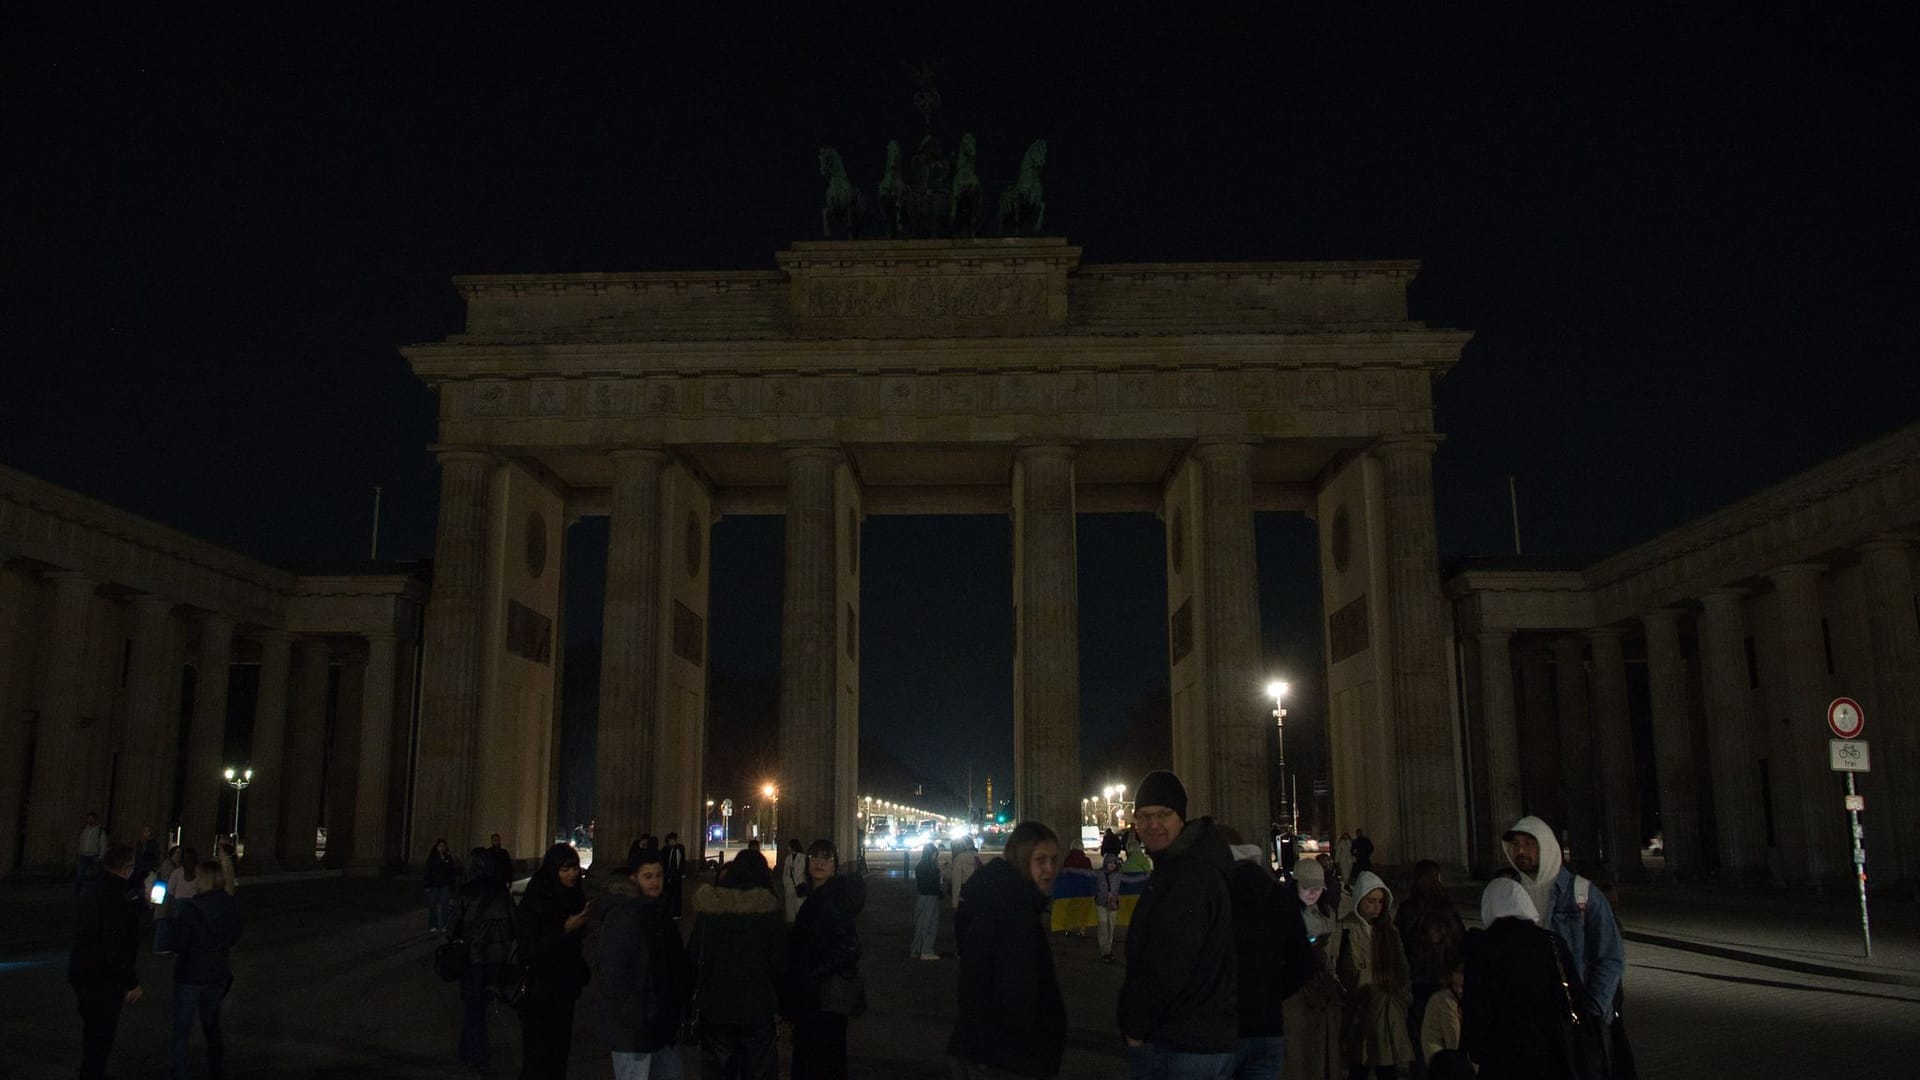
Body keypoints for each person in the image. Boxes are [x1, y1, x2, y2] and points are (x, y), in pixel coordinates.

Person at [1116, 769, 1237, 1078]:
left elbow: (1168, 961)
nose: (1152, 824)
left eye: (1163, 814)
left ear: (1181, 818)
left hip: (1183, 1041)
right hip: (1199, 1037)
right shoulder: (1186, 866)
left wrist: (1135, 1025)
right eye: (1143, 816)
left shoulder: (1188, 876)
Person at [1502, 816, 1625, 1067]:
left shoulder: (1583, 893)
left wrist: (1592, 1010)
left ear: (1546, 846)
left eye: (1528, 843)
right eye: (1515, 845)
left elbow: (1610, 957)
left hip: (1572, 1017)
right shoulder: (1509, 894)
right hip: (1528, 1018)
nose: (1520, 851)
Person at [947, 821, 1066, 1079]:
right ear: (1022, 860)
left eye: (1054, 860)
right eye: (1040, 860)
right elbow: (1018, 993)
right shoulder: (1013, 911)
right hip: (1004, 1059)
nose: (1049, 869)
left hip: (983, 1050)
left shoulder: (999, 898)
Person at [1462, 877, 1582, 1080]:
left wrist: (1477, 1050)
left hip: (1501, 1054)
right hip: (1548, 1049)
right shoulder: (1551, 942)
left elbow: (1476, 1005)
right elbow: (1573, 993)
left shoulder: (1482, 947)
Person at [1220, 826, 1312, 1080]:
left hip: (1223, 1029)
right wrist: (1271, 992)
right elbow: (1304, 962)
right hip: (1268, 1026)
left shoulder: (1214, 893)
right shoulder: (1276, 893)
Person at [690, 848, 786, 1080]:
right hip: (758, 1008)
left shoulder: (709, 913)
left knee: (719, 1072)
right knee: (759, 1071)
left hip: (716, 1008)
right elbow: (781, 964)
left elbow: (693, 958)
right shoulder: (770, 913)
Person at [598, 848, 689, 1080]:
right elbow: (613, 975)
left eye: (658, 875)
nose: (655, 882)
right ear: (633, 879)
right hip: (634, 1030)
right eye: (648, 876)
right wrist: (638, 1017)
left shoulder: (658, 912)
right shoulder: (624, 915)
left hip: (660, 1023)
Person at [787, 838, 865, 1080]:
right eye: (814, 857)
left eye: (826, 858)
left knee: (818, 1058)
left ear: (835, 866)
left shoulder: (833, 900)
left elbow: (849, 947)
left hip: (822, 996)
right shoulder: (817, 898)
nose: (820, 863)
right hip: (818, 996)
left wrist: (814, 973)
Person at [514, 842, 592, 1078]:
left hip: (565, 988)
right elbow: (528, 948)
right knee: (538, 1056)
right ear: (552, 870)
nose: (572, 874)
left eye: (575, 868)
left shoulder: (574, 896)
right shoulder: (537, 899)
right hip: (539, 990)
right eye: (565, 869)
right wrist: (565, 929)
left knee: (559, 1053)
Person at [70, 842, 141, 1080]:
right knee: (101, 1039)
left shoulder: (93, 886)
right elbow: (116, 943)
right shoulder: (117, 896)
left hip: (83, 971)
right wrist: (130, 981)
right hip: (104, 978)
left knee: (92, 1036)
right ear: (126, 867)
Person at [1337, 870, 1415, 1080]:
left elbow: (1402, 967)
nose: (1376, 907)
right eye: (1371, 901)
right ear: (1360, 899)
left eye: (1380, 902)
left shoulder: (1389, 931)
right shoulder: (1345, 927)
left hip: (1386, 1006)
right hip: (1358, 1007)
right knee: (1359, 1062)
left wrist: (1402, 996)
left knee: (1386, 1063)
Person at [448, 846, 517, 1073]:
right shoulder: (501, 892)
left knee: (473, 1008)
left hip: (473, 958)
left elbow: (452, 928)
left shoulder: (466, 892)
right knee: (480, 1006)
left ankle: (479, 1055)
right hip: (498, 958)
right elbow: (514, 925)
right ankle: (466, 1051)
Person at [171, 858, 241, 1080]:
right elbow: (234, 936)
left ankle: (179, 1073)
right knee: (212, 1027)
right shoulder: (230, 904)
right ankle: (216, 1071)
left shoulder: (190, 908)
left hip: (190, 975)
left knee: (181, 1032)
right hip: (217, 974)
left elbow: (180, 945)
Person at [1395, 860, 1464, 1080]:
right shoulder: (1448, 908)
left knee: (1421, 1038)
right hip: (1445, 982)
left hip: (1419, 982)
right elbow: (1461, 942)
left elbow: (1400, 945)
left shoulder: (1408, 909)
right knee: (1449, 1035)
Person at [1283, 858, 1345, 1080]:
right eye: (1307, 888)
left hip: (1324, 988)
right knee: (1300, 1053)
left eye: (1317, 888)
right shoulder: (1286, 913)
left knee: (1323, 1052)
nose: (1312, 893)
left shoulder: (1328, 912)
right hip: (1298, 991)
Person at [1419, 959, 1469, 1080]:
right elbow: (1453, 1040)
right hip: (1442, 1065)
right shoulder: (1445, 1000)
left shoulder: (1450, 998)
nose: (1459, 990)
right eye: (1457, 986)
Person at [158, 847, 202, 955]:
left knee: (179, 927)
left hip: (179, 902)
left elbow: (170, 889)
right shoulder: (199, 872)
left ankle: (178, 948)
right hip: (194, 902)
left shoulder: (178, 872)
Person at [911, 842, 943, 960]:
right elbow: (930, 883)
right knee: (929, 923)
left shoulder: (921, 866)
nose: (935, 857)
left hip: (923, 897)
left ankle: (917, 949)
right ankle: (926, 950)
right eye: (934, 854)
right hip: (929, 897)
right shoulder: (929, 867)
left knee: (921, 922)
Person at [424, 838, 460, 935]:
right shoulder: (432, 858)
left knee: (445, 906)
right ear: (437, 847)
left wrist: (452, 884)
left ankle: (444, 925)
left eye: (443, 846)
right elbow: (428, 871)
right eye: (440, 846)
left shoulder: (448, 858)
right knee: (432, 906)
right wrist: (427, 885)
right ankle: (433, 925)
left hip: (445, 885)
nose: (442, 848)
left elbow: (452, 872)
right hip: (434, 885)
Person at [1093, 851, 1123, 962]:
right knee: (1103, 927)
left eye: (1113, 863)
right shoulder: (1099, 874)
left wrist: (1145, 876)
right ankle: (1105, 952)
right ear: (1105, 863)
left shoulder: (1118, 875)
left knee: (1111, 928)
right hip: (1101, 903)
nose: (1111, 865)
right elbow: (1085, 874)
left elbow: (1131, 880)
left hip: (1113, 905)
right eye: (1109, 863)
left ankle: (1108, 950)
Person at [948, 836, 981, 913]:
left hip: (963, 895)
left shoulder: (959, 858)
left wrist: (955, 903)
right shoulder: (976, 856)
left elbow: (956, 882)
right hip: (976, 893)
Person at [76, 811, 106, 894]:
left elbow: (103, 845)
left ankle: (93, 892)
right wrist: (79, 852)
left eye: (91, 819)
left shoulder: (100, 831)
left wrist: (100, 857)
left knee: (95, 875)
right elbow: (81, 841)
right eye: (88, 819)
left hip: (94, 856)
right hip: (83, 855)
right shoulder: (84, 830)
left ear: (95, 820)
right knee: (80, 874)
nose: (89, 821)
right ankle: (78, 891)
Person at [662, 832, 688, 917]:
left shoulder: (679, 848)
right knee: (669, 893)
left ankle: (676, 912)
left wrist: (682, 872)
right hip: (670, 874)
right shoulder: (667, 849)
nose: (670, 842)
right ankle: (670, 911)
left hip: (677, 874)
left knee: (677, 893)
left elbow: (682, 861)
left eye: (670, 841)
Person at [784, 838, 808, 923]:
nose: (788, 848)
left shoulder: (803, 858)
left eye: (789, 846)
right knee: (790, 908)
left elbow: (803, 871)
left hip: (800, 884)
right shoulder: (788, 858)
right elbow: (785, 872)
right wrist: (786, 882)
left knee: (799, 906)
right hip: (789, 884)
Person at [132, 825, 161, 890]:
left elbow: (155, 857)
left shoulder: (153, 844)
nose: (147, 833)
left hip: (149, 871)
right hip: (138, 872)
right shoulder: (139, 844)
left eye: (149, 831)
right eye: (145, 831)